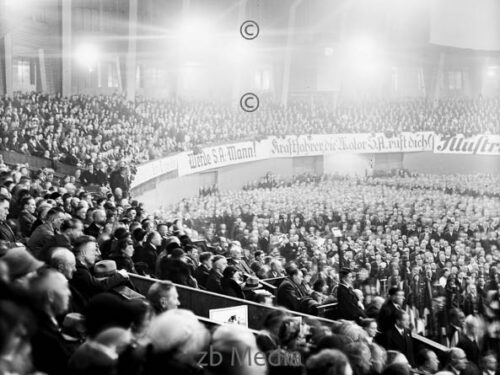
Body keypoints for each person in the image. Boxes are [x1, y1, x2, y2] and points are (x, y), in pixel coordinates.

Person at [29, 268, 74, 375]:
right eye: (64, 288)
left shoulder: (41, 324)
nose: (69, 293)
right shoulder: (45, 336)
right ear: (50, 296)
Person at [70, 236, 128, 308]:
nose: (99, 253)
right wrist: (120, 275)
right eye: (95, 250)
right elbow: (98, 288)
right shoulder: (78, 269)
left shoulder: (81, 267)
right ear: (83, 253)